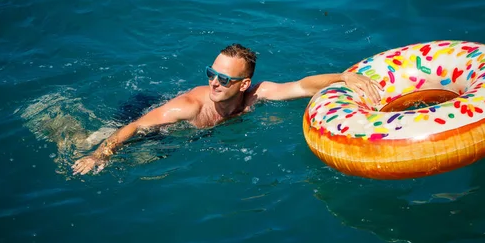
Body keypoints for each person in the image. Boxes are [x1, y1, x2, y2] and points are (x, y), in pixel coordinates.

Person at [72, 44, 382, 175]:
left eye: (224, 79)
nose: (214, 83)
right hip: (153, 119)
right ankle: (53, 115)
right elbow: (138, 126)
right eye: (211, 73)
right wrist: (101, 152)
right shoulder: (189, 106)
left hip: (186, 135)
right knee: (85, 143)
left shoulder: (257, 95)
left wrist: (343, 77)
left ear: (244, 84)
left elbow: (302, 86)